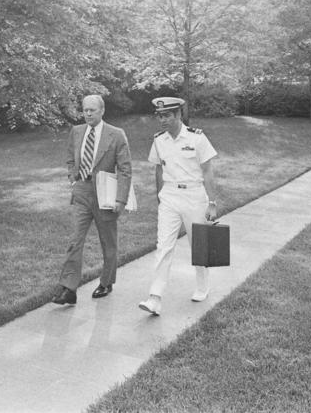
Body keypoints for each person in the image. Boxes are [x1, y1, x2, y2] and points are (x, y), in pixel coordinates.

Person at [138, 97, 217, 316]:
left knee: (198, 244)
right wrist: (160, 196)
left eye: (166, 116)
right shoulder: (158, 140)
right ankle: (155, 297)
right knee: (163, 245)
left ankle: (202, 285)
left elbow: (208, 171)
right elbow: (158, 169)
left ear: (178, 115)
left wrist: (212, 202)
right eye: (159, 116)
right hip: (170, 196)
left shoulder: (197, 138)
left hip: (194, 195)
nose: (161, 120)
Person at [52, 95, 132, 305]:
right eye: (85, 110)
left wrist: (120, 199)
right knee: (74, 241)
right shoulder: (77, 132)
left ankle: (106, 282)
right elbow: (70, 159)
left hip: (105, 196)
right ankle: (69, 289)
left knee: (108, 242)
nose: (87, 114)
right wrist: (73, 179)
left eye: (92, 110)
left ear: (102, 110)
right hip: (82, 194)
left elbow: (125, 170)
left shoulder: (116, 135)